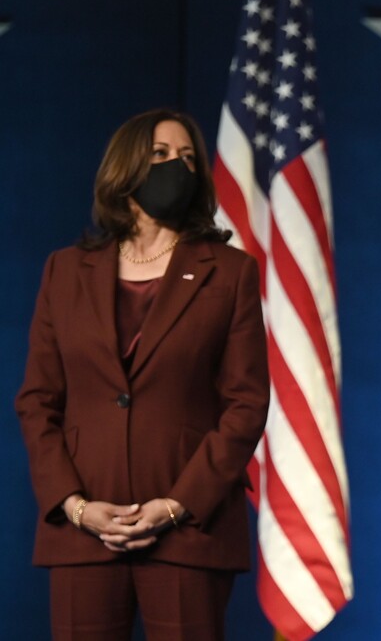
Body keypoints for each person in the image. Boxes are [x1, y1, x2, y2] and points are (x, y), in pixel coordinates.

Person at [15, 109, 270, 640]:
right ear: (125, 168)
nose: (176, 166)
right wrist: (76, 506)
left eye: (187, 158)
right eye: (160, 155)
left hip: (188, 531)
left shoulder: (230, 272)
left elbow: (246, 405)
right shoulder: (65, 271)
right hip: (83, 531)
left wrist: (177, 505)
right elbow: (38, 401)